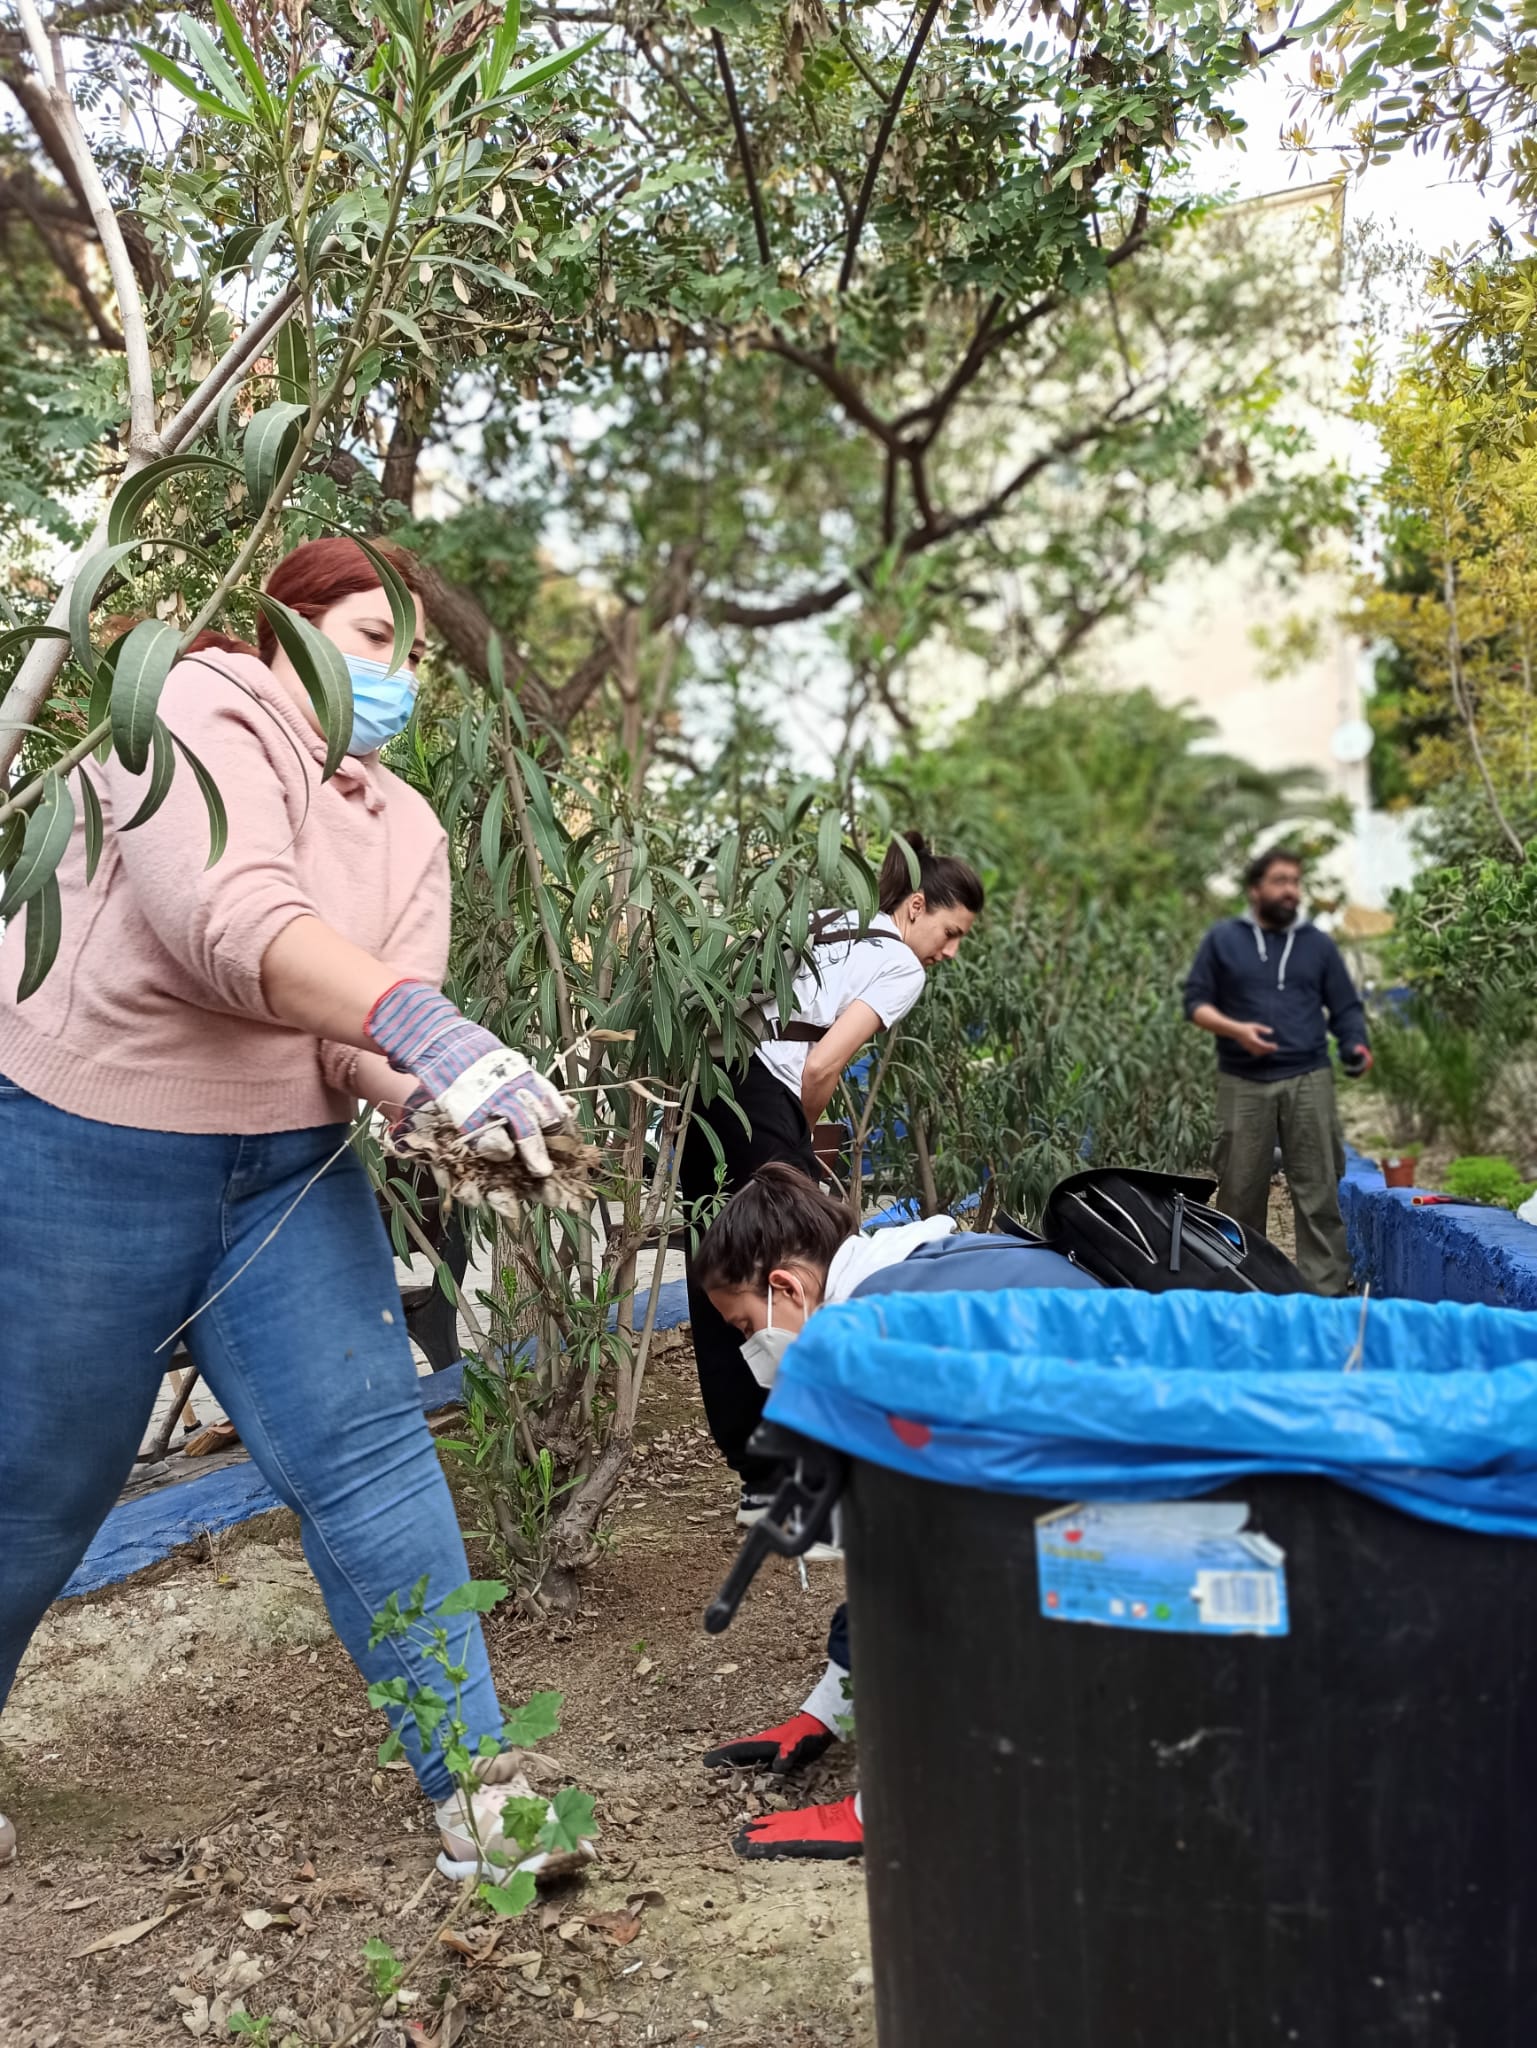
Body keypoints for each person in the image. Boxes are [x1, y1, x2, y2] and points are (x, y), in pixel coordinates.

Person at [0, 537, 581, 1880]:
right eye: (374, 636)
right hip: (87, 1147)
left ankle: (480, 1791)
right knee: (34, 1492)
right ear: (284, 629)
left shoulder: (408, 827)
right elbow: (228, 916)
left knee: (373, 1458)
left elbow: (356, 1042)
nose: (399, 673)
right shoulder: (188, 705)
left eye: (414, 653)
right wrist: (420, 1024)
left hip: (285, 1174)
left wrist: (445, 1098)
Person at [694, 1164, 1098, 1859]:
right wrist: (833, 1703)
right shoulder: (912, 1265)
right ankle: (848, 1711)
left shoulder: (880, 1327)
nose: (747, 1351)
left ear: (785, 1288)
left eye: (742, 1325)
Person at [680, 835, 984, 1525]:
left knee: (717, 1278)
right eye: (950, 932)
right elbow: (820, 1067)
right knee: (798, 1273)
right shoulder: (900, 967)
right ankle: (803, 1468)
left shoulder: (821, 922)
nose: (949, 951)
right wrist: (795, 1146)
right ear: (914, 907)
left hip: (706, 1094)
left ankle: (756, 1474)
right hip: (763, 1104)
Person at [1183, 845, 1372, 1296]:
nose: (1291, 890)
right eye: (1280, 881)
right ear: (1255, 890)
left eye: (1295, 881)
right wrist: (1237, 1030)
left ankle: (1323, 1295)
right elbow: (1197, 1004)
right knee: (1239, 1193)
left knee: (1318, 1190)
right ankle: (1242, 1290)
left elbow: (1344, 1007)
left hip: (1309, 1077)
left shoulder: (1317, 945)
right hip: (1242, 1081)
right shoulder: (1224, 940)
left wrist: (1356, 1045)